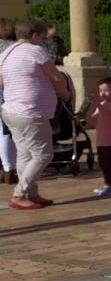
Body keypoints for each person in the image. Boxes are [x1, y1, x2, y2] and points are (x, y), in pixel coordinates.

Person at [0, 19, 68, 210]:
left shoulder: (6, 53)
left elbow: (2, 82)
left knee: (25, 154)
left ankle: (31, 193)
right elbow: (55, 76)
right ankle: (19, 193)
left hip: (11, 111)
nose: (43, 41)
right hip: (30, 113)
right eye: (42, 37)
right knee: (43, 154)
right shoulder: (35, 50)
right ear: (34, 35)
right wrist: (64, 92)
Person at [0, 18, 17, 183]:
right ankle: (10, 168)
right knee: (9, 132)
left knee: (3, 132)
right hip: (9, 90)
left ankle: (5, 168)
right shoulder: (14, 47)